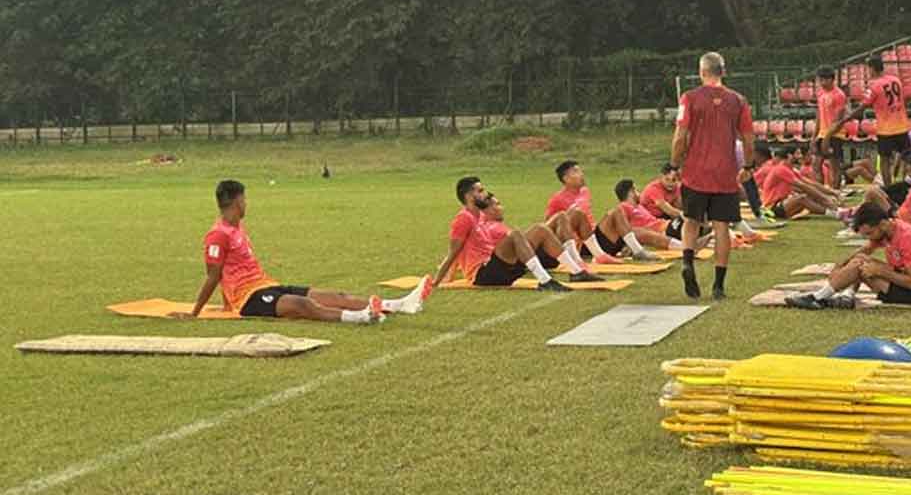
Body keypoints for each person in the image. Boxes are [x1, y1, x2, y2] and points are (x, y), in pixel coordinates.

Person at [177, 180, 421, 324]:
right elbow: (213, 275)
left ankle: (398, 304)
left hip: (264, 284)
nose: (246, 204)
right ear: (237, 201)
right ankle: (360, 317)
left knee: (334, 294)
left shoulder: (238, 227)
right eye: (244, 199)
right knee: (301, 304)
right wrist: (195, 312)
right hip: (247, 298)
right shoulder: (217, 234)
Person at [671, 51, 755, 299]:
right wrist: (748, 166)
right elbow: (748, 138)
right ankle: (718, 285)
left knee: (691, 220)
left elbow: (680, 135)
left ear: (702, 72)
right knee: (721, 227)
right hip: (725, 174)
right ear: (724, 71)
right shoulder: (738, 101)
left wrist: (675, 163)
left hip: (695, 171)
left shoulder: (689, 98)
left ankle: (688, 262)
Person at [785, 203, 911, 309]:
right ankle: (846, 296)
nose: (869, 238)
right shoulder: (887, 230)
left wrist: (880, 271)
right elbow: (864, 250)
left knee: (861, 266)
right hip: (905, 283)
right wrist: (840, 265)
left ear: (883, 224)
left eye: (870, 233)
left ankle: (818, 298)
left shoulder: (907, 239)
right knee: (860, 260)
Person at [434, 177, 572, 291]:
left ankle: (577, 271)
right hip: (482, 275)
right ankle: (545, 280)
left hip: (497, 267)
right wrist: (437, 281)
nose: (485, 194)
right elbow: (454, 252)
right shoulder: (464, 218)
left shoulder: (480, 216)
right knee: (515, 234)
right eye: (480, 191)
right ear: (469, 196)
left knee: (539, 229)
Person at [546, 160, 662, 263]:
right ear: (566, 178)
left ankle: (675, 244)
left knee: (642, 232)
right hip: (583, 245)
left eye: (581, 171)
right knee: (616, 212)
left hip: (595, 235)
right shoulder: (557, 199)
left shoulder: (585, 191)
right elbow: (550, 226)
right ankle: (637, 251)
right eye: (576, 172)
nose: (582, 174)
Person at [478, 193, 604, 282]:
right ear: (489, 209)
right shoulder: (491, 226)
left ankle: (578, 263)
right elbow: (515, 243)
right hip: (527, 258)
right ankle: (577, 269)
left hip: (528, 253)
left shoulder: (491, 225)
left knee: (563, 216)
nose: (502, 208)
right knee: (540, 228)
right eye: (498, 205)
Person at [831, 55, 911, 186]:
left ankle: (888, 189)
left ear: (872, 69)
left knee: (885, 160)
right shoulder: (896, 80)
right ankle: (909, 184)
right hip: (902, 125)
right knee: (907, 158)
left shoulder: (874, 85)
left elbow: (862, 107)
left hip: (886, 129)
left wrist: (844, 120)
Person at [614, 179, 712, 250]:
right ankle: (707, 236)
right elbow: (623, 228)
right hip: (664, 231)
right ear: (631, 192)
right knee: (691, 217)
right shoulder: (623, 207)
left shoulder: (639, 206)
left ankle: (710, 233)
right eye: (636, 190)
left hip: (667, 225)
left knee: (695, 214)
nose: (639, 193)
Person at [811, 65, 847, 189]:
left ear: (832, 79)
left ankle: (835, 194)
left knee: (834, 167)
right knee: (816, 165)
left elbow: (839, 121)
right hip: (822, 133)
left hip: (835, 135)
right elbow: (819, 116)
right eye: (820, 80)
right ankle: (821, 193)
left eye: (825, 80)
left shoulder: (839, 95)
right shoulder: (820, 93)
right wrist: (814, 136)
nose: (822, 82)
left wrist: (827, 137)